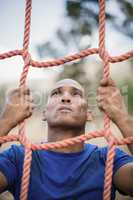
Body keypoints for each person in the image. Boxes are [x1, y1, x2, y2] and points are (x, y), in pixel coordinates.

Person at [0, 78, 132, 200]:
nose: (65, 98)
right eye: (56, 93)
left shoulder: (109, 159)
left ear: (88, 115)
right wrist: (5, 122)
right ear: (45, 113)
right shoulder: (18, 158)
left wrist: (122, 117)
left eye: (76, 94)